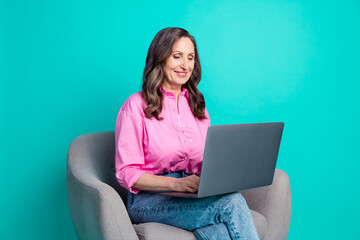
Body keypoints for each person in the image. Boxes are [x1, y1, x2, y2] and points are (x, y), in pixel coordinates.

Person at [115, 27, 259, 240]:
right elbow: (127, 173)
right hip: (148, 201)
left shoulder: (197, 104)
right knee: (233, 203)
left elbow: (205, 161)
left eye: (190, 57)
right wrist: (176, 184)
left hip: (190, 193)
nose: (185, 65)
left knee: (222, 230)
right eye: (177, 56)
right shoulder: (135, 106)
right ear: (160, 59)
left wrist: (225, 173)